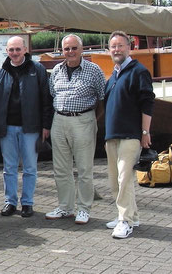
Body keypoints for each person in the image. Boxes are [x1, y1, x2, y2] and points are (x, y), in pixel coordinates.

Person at [0, 36, 52, 218]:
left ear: (25, 49)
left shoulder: (37, 70)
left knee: (30, 168)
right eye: (11, 50)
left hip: (31, 128)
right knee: (9, 168)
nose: (15, 53)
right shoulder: (2, 72)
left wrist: (46, 125)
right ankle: (10, 202)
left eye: (18, 49)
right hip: (7, 128)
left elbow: (46, 99)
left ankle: (27, 203)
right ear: (7, 51)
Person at [46, 34, 105, 224]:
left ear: (82, 49)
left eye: (74, 48)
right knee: (61, 168)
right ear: (62, 51)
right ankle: (65, 207)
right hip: (59, 120)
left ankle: (84, 208)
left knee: (84, 168)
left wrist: (92, 120)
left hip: (83, 120)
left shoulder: (93, 70)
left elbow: (102, 98)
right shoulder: (56, 70)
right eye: (66, 49)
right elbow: (52, 94)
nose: (70, 52)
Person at [103, 31, 154, 239]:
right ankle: (129, 214)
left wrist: (145, 132)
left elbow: (147, 102)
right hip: (112, 135)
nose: (116, 49)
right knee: (115, 180)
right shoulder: (113, 75)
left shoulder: (138, 71)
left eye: (120, 46)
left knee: (125, 179)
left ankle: (126, 221)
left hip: (131, 135)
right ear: (109, 50)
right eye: (113, 46)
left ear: (129, 47)